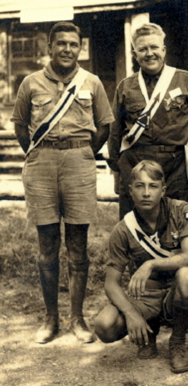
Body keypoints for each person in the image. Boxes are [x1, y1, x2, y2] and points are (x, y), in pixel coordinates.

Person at [11, 21, 114, 344]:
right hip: (42, 163)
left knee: (78, 245)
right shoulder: (31, 82)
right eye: (61, 44)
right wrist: (41, 154)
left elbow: (104, 127)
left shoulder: (92, 82)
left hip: (79, 162)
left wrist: (81, 153)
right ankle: (50, 318)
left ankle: (77, 319)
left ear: (80, 48)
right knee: (47, 244)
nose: (67, 49)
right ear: (49, 48)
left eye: (73, 44)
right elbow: (20, 127)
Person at [94, 160, 188, 374]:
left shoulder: (180, 210)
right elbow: (111, 284)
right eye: (140, 186)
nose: (146, 193)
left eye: (152, 186)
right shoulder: (123, 230)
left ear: (163, 190)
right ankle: (148, 332)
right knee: (104, 325)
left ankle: (177, 342)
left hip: (175, 292)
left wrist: (151, 264)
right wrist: (132, 314)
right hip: (145, 297)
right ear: (130, 190)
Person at [109, 23, 188, 219]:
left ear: (163, 50)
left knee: (178, 221)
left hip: (177, 167)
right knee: (136, 226)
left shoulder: (185, 80)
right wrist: (116, 169)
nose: (149, 53)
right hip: (136, 162)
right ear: (135, 54)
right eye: (142, 49)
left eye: (154, 47)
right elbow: (115, 131)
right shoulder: (126, 87)